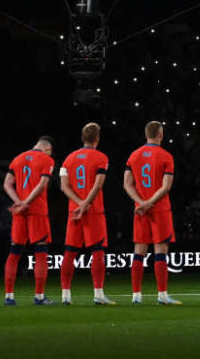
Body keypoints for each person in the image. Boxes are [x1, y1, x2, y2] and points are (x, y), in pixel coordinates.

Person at [124, 121, 179, 305]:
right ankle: (162, 296)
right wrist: (149, 203)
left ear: (146, 134)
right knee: (160, 250)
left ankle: (136, 296)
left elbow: (127, 184)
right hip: (159, 208)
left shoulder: (134, 155)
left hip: (140, 210)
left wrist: (140, 202)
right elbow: (166, 187)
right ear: (160, 134)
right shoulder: (166, 156)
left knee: (139, 250)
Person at [59, 123, 113, 305]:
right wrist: (86, 203)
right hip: (93, 210)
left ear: (83, 137)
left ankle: (65, 295)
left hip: (74, 211)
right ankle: (98, 294)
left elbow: (64, 186)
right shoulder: (101, 158)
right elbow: (98, 185)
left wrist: (78, 203)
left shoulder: (68, 159)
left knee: (70, 252)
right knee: (97, 251)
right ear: (97, 138)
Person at [3, 136, 56, 305]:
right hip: (37, 210)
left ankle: (9, 297)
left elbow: (7, 184)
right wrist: (26, 203)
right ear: (47, 149)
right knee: (41, 252)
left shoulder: (17, 159)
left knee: (14, 252)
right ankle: (39, 296)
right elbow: (42, 185)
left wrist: (18, 202)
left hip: (19, 212)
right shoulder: (47, 159)